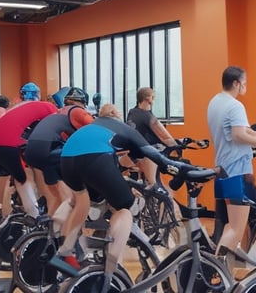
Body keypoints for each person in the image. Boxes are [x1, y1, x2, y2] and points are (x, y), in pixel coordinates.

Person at [56, 103, 178, 275]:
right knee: (125, 207)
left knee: (80, 202)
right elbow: (151, 155)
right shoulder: (121, 128)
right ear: (116, 116)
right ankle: (114, 268)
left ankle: (65, 246)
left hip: (67, 160)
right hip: (94, 161)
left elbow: (115, 167)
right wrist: (156, 181)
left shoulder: (93, 127)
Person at [206, 66, 256, 257]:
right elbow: (239, 136)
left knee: (230, 225)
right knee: (236, 229)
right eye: (244, 83)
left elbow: (244, 132)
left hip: (222, 168)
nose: (246, 87)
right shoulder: (235, 106)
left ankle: (221, 273)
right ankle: (217, 272)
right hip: (236, 170)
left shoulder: (215, 102)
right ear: (236, 83)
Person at [0, 83, 57, 220]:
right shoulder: (49, 107)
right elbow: (52, 128)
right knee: (23, 179)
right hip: (7, 146)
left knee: (4, 179)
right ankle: (34, 217)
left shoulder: (17, 106)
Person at [24, 87, 94, 220]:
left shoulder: (59, 111)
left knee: (55, 198)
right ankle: (66, 234)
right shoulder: (78, 111)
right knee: (71, 199)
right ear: (82, 102)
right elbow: (97, 128)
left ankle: (48, 233)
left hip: (34, 151)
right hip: (50, 150)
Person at [126, 87, 179, 186]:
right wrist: (177, 148)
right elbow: (165, 137)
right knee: (155, 185)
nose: (153, 100)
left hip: (134, 152)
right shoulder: (147, 116)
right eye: (152, 97)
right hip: (149, 152)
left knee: (155, 183)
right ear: (147, 99)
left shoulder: (132, 112)